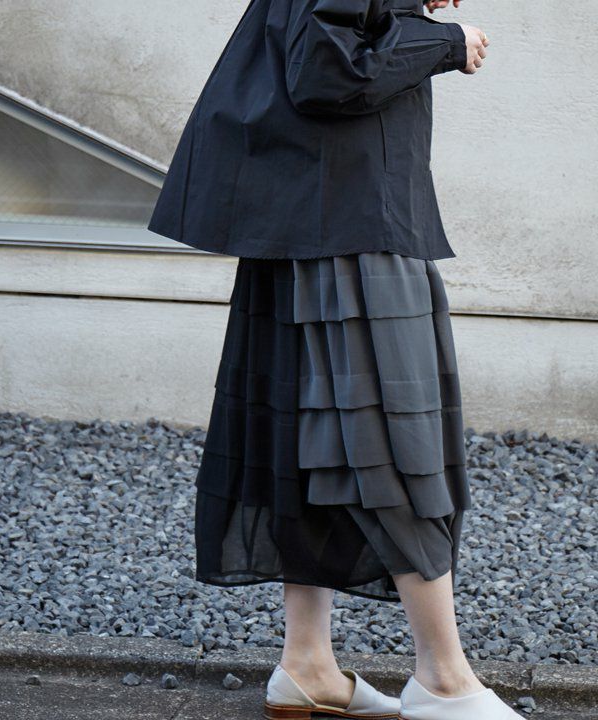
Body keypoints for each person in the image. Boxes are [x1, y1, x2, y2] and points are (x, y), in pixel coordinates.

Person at [148, 0, 524, 717]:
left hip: (310, 217)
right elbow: (328, 69)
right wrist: (445, 41)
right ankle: (443, 677)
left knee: (305, 444)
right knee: (394, 445)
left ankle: (307, 664)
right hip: (350, 223)